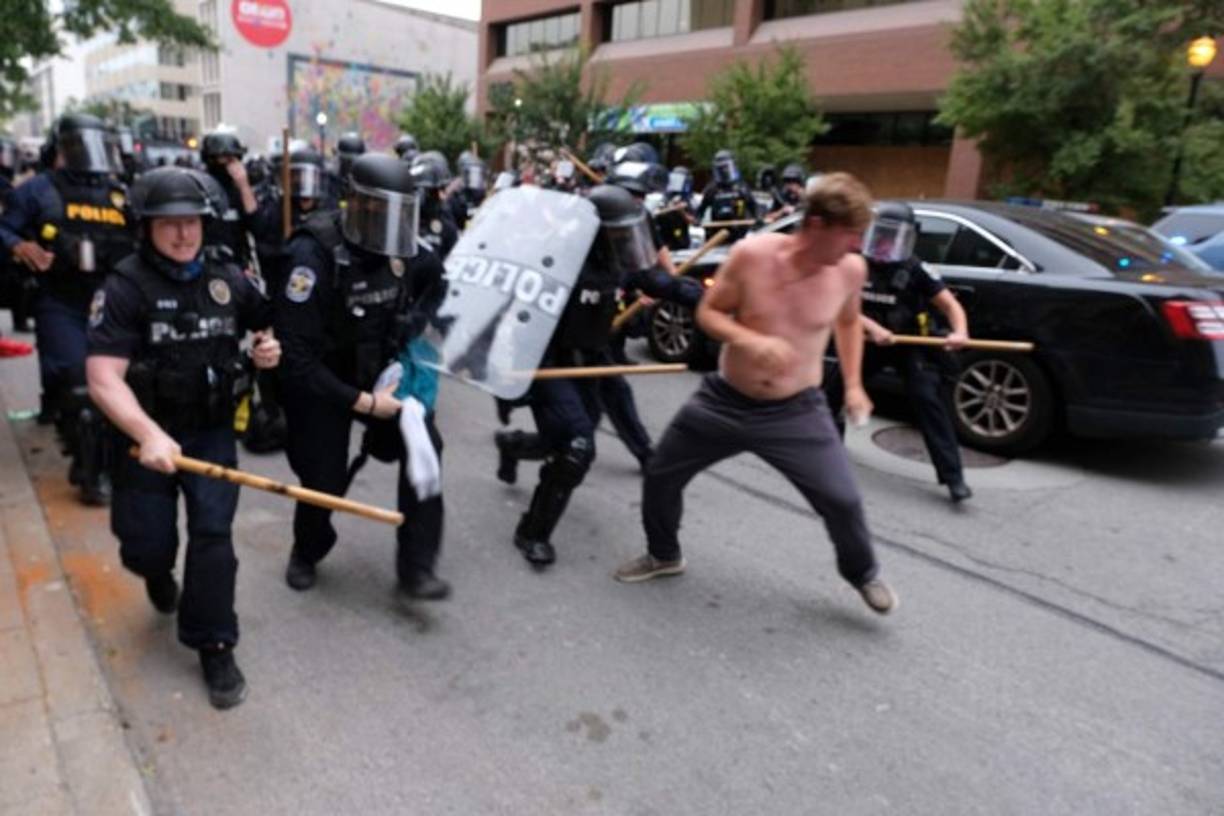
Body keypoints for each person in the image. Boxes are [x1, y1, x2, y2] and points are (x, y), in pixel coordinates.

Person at [613, 173, 898, 616]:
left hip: (796, 410)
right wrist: (750, 341)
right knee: (661, 474)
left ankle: (861, 572)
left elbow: (846, 323)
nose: (855, 247)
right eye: (850, 235)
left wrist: (856, 386)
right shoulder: (753, 256)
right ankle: (664, 554)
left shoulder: (849, 270)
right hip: (724, 400)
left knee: (842, 498)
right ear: (818, 225)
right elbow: (709, 314)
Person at [85, 165, 282, 709]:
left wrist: (267, 348)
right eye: (168, 223)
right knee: (147, 544)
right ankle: (154, 572)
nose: (182, 233)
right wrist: (149, 434)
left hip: (211, 431)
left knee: (213, 539)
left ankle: (214, 641)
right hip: (142, 439)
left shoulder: (228, 278)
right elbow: (103, 378)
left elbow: (265, 322)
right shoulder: (125, 286)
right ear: (145, 227)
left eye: (191, 221)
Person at [275, 153, 450, 602]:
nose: (389, 227)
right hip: (322, 382)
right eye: (380, 212)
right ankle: (307, 550)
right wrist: (363, 404)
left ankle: (417, 566)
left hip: (379, 373)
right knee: (323, 477)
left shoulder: (404, 247)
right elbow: (297, 358)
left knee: (424, 447)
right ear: (355, 203)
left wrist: (415, 322)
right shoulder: (311, 254)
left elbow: (439, 283)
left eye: (398, 214)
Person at [500, 184, 702, 568]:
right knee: (577, 447)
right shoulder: (556, 260)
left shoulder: (617, 260)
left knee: (567, 439)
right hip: (550, 364)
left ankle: (513, 445)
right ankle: (532, 532)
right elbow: (517, 312)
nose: (626, 240)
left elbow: (660, 281)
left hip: (591, 361)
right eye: (618, 232)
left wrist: (705, 299)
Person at [0, 113, 136, 503]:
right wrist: (20, 246)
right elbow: (5, 228)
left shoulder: (119, 192)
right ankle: (90, 468)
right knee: (78, 383)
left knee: (119, 384)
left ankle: (103, 457)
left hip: (110, 301)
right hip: (61, 300)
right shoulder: (39, 190)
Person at [824, 202, 972, 502]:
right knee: (832, 393)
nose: (885, 243)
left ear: (908, 237)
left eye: (894, 236)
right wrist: (872, 328)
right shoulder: (856, 263)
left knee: (927, 400)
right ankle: (829, 456)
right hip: (867, 342)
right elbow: (838, 306)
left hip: (908, 344)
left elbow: (950, 305)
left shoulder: (916, 268)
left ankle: (953, 477)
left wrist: (960, 331)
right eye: (882, 234)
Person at [695, 149, 758, 241]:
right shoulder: (712, 189)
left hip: (739, 234)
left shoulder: (741, 188)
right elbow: (701, 210)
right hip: (717, 234)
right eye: (721, 169)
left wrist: (758, 219)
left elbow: (753, 206)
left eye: (726, 168)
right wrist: (698, 220)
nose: (724, 171)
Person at [409, 151, 459, 261]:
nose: (441, 197)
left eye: (442, 189)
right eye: (435, 191)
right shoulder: (403, 223)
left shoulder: (446, 225)